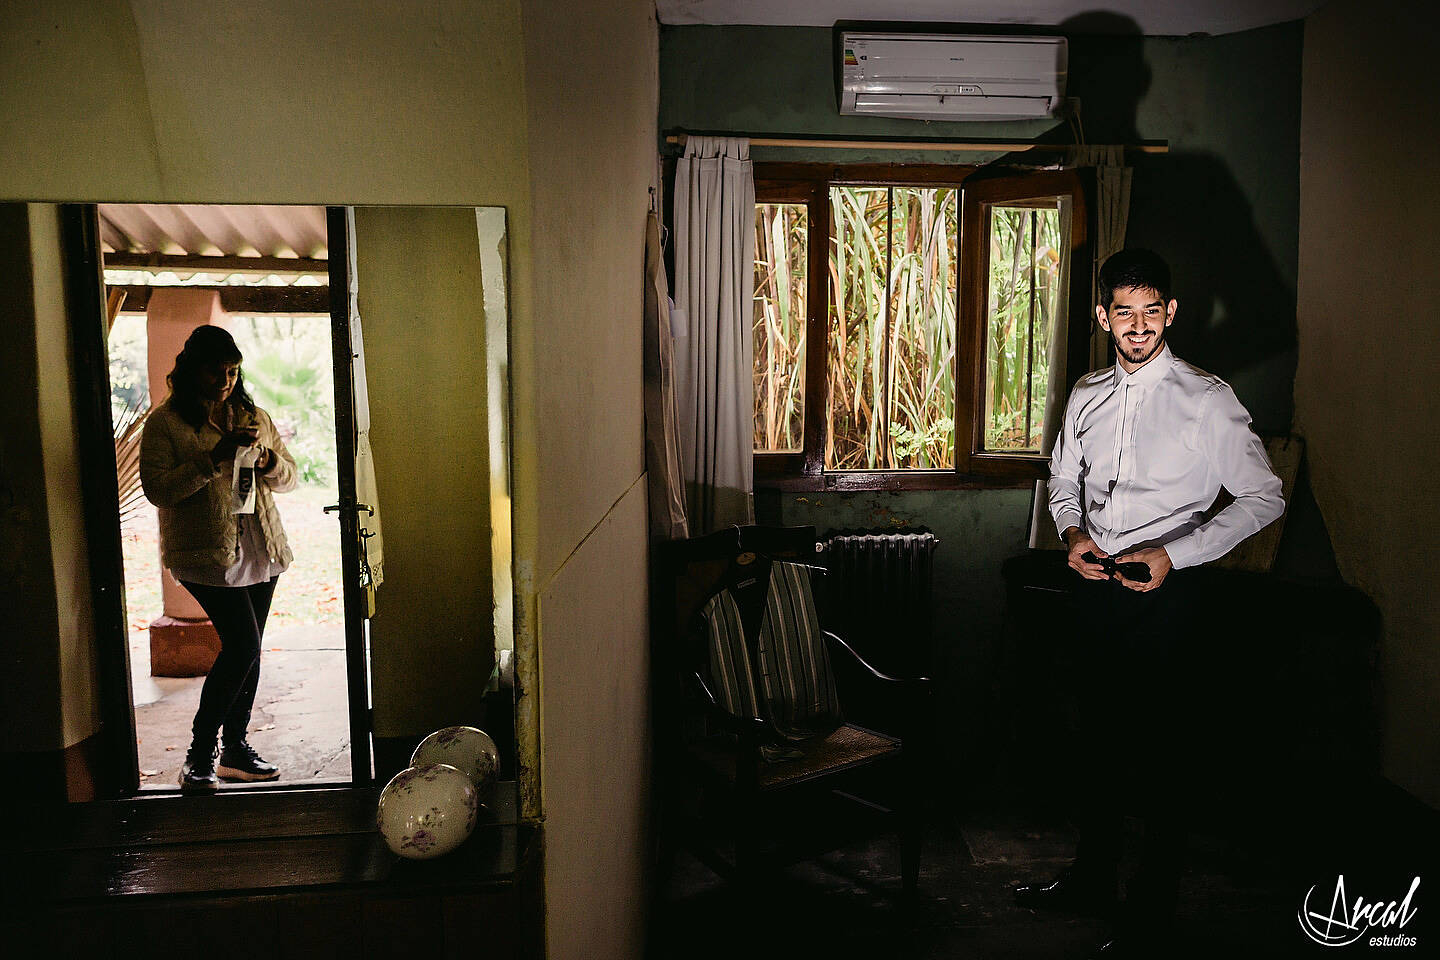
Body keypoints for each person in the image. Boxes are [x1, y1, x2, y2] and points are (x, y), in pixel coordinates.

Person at [1012, 249, 1284, 957]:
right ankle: (1092, 880)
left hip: (1171, 600)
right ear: (1103, 315)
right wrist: (1071, 531)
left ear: (1171, 312)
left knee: (1163, 759)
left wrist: (1177, 555)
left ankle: (1152, 910)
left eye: (1151, 310)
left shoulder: (1208, 397)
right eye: (1123, 311)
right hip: (1095, 591)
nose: (1138, 325)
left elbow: (1264, 496)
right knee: (1096, 744)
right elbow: (1061, 477)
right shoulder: (1085, 393)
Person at [140, 325, 297, 792]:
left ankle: (235, 749)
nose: (225, 380)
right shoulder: (166, 424)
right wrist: (214, 458)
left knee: (249, 652)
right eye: (216, 371)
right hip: (207, 556)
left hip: (259, 546)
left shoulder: (252, 415)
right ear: (192, 369)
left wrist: (268, 462)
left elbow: (290, 477)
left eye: (232, 371)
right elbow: (158, 490)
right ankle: (199, 756)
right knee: (242, 647)